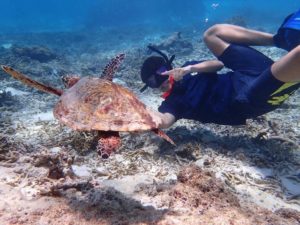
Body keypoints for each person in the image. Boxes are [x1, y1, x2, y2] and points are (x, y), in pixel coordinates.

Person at [140, 9, 300, 129]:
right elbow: (165, 120)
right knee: (296, 56)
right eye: (153, 82)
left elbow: (218, 65)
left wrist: (190, 68)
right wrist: (145, 115)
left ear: (169, 67)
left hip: (243, 73)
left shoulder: (189, 66)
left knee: (212, 34)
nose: (161, 82)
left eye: (161, 73)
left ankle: (279, 40)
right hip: (246, 99)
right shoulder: (173, 102)